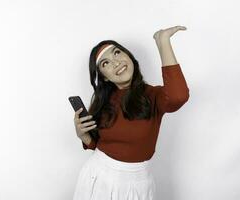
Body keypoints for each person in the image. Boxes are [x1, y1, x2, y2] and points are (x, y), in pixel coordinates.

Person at [73, 25, 190, 200]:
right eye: (105, 63)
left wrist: (163, 42)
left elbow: (179, 96)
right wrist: (83, 136)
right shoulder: (101, 102)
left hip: (137, 183)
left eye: (117, 53)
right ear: (104, 76)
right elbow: (97, 144)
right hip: (97, 176)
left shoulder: (153, 95)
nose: (115, 62)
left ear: (129, 56)